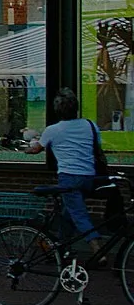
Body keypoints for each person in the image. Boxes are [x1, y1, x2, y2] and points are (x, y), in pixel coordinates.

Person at [26, 89, 107, 253]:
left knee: (78, 213)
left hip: (68, 177)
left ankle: (96, 248)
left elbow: (37, 149)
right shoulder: (90, 125)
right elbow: (97, 148)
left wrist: (27, 149)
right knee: (67, 211)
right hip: (89, 176)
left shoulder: (53, 130)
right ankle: (60, 246)